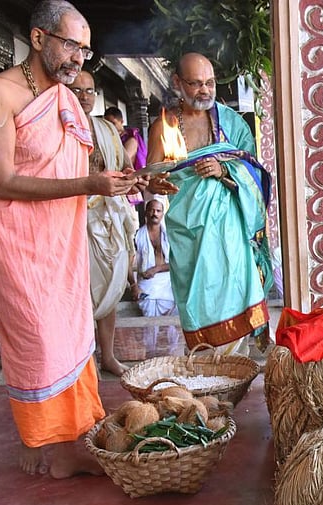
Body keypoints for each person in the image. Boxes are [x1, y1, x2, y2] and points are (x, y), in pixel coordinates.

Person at [0, 0, 139, 476]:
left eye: (85, 50)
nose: (78, 59)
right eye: (70, 45)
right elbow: (2, 181)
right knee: (40, 339)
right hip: (20, 245)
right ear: (39, 37)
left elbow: (83, 171)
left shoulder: (66, 101)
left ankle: (73, 441)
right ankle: (42, 439)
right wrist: (89, 185)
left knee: (72, 334)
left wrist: (128, 181)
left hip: (63, 243)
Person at [147, 52, 273, 352]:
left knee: (236, 296)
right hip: (187, 231)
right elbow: (152, 175)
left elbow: (254, 170)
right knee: (198, 302)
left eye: (210, 83)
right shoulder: (164, 125)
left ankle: (233, 371)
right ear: (177, 82)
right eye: (195, 83)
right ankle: (207, 373)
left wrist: (224, 169)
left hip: (229, 232)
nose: (205, 90)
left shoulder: (231, 123)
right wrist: (157, 182)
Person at [69, 70, 140, 376]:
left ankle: (108, 356)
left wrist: (138, 179)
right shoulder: (60, 127)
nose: (84, 96)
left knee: (111, 289)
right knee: (80, 291)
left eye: (89, 90)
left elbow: (126, 167)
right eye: (76, 90)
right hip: (74, 217)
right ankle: (84, 363)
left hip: (109, 217)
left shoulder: (107, 130)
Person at [131, 198, 177, 317]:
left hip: (167, 284)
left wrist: (156, 269)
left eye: (158, 211)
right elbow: (127, 262)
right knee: (149, 327)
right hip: (146, 285)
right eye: (151, 210)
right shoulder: (137, 236)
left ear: (162, 214)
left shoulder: (170, 235)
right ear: (146, 212)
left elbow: (178, 262)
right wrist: (133, 285)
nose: (155, 214)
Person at [103, 105, 147, 171]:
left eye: (113, 123)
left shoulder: (131, 139)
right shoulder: (108, 138)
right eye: (107, 124)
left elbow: (120, 163)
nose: (109, 127)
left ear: (122, 122)